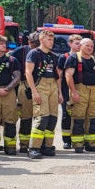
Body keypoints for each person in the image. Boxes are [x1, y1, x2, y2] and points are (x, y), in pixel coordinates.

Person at [24, 30, 62, 159]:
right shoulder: (33, 54)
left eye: (52, 40)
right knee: (42, 117)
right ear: (41, 40)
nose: (51, 42)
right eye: (48, 40)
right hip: (40, 85)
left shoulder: (53, 56)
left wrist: (60, 92)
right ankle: (34, 148)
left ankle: (47, 146)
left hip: (53, 86)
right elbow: (28, 73)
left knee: (52, 118)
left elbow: (58, 76)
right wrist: (34, 91)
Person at [64, 38, 95, 153]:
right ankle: (78, 145)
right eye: (87, 46)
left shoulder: (94, 60)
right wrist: (73, 92)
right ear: (81, 46)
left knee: (93, 118)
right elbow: (68, 75)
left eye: (91, 46)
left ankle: (91, 144)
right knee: (78, 118)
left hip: (93, 91)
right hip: (79, 89)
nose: (90, 48)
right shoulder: (74, 58)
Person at [12, 32, 39, 153]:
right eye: (35, 44)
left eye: (39, 43)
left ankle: (39, 144)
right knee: (26, 116)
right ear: (29, 42)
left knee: (41, 117)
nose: (37, 46)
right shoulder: (20, 52)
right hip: (25, 84)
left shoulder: (47, 53)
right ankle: (24, 144)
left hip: (42, 85)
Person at [57, 34, 82, 149]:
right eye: (76, 43)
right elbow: (59, 76)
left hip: (80, 89)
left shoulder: (83, 57)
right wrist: (59, 93)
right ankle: (66, 140)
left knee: (79, 115)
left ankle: (77, 138)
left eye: (80, 43)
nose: (79, 46)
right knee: (66, 114)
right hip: (66, 89)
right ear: (70, 44)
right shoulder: (64, 57)